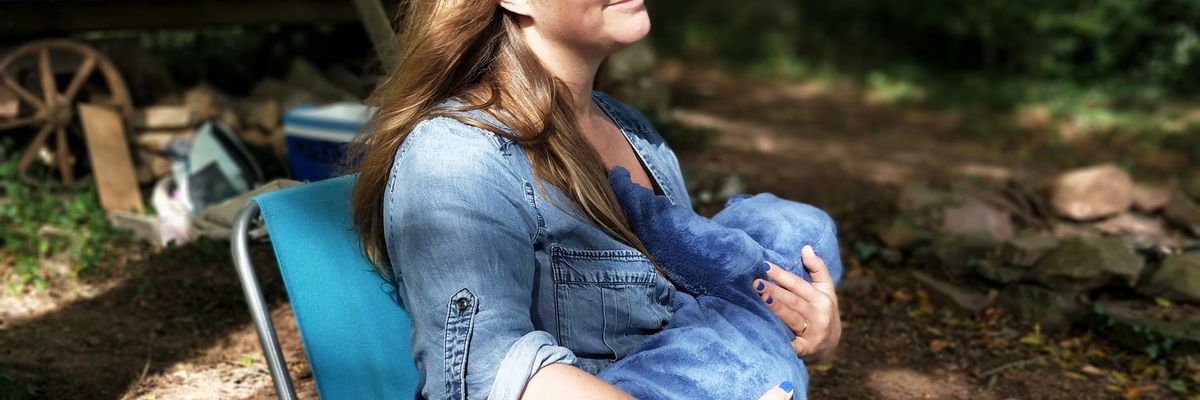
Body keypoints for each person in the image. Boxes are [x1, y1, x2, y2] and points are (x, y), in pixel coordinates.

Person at [349, 0, 842, 398]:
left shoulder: (632, 131)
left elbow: (693, 302)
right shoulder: (457, 156)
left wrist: (802, 327)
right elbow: (488, 376)